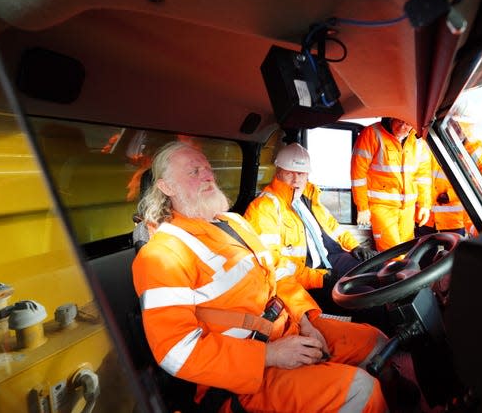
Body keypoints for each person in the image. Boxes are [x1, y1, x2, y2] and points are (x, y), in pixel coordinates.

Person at [132, 141, 391, 412]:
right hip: (246, 375)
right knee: (362, 390)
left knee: (375, 341)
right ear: (166, 187)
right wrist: (270, 355)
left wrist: (306, 322)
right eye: (193, 172)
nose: (208, 175)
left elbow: (278, 272)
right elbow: (176, 352)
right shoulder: (161, 254)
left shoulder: (234, 223)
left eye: (208, 169)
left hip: (289, 329)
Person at [244, 142, 378, 314]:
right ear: (278, 173)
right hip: (305, 277)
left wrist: (355, 246)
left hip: (330, 260)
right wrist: (319, 277)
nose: (296, 180)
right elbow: (273, 264)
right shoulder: (263, 208)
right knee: (366, 299)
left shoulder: (307, 197)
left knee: (378, 268)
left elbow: (332, 226)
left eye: (301, 174)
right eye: (289, 173)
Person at [351, 117, 432, 251]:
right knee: (391, 254)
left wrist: (424, 205)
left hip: (408, 209)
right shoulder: (372, 134)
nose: (402, 128)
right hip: (382, 207)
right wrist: (362, 207)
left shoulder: (419, 140)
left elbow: (423, 176)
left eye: (407, 123)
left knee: (407, 252)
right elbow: (358, 174)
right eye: (399, 121)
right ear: (390, 117)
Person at [415, 151, 468, 238]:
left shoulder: (466, 150)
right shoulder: (426, 148)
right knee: (424, 249)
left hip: (452, 218)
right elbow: (419, 177)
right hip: (426, 215)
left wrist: (451, 195)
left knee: (453, 249)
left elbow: (475, 182)